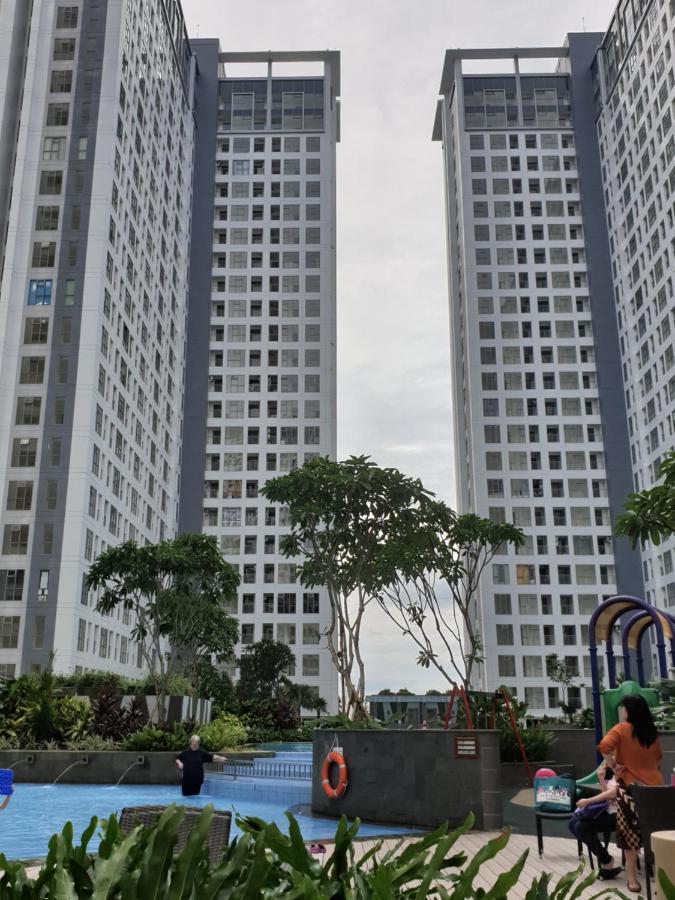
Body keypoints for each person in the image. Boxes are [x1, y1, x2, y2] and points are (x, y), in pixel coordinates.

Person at [598, 695, 663, 894]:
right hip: (655, 791)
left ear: (629, 711)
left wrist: (613, 765)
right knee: (654, 835)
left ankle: (633, 880)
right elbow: (658, 759)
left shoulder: (621, 728)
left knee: (630, 837)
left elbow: (603, 746)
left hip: (631, 790)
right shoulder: (652, 732)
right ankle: (661, 878)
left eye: (623, 708)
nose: (622, 711)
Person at [568, 764, 621, 879]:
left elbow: (613, 793)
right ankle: (605, 858)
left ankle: (606, 861)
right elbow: (606, 795)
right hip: (608, 810)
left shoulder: (626, 771)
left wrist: (588, 801)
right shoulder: (615, 772)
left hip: (620, 814)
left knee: (581, 827)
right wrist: (601, 778)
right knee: (572, 824)